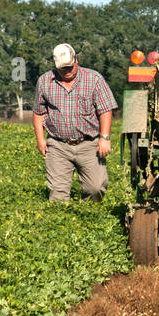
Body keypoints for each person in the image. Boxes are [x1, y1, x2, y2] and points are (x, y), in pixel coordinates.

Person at [32, 43, 117, 202]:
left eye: (70, 66)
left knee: (96, 188)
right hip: (58, 145)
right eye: (63, 68)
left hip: (88, 143)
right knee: (58, 195)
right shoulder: (44, 81)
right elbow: (38, 113)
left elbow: (105, 109)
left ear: (76, 59)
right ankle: (60, 222)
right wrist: (40, 139)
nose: (68, 71)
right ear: (56, 66)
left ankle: (88, 217)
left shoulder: (94, 79)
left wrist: (104, 138)